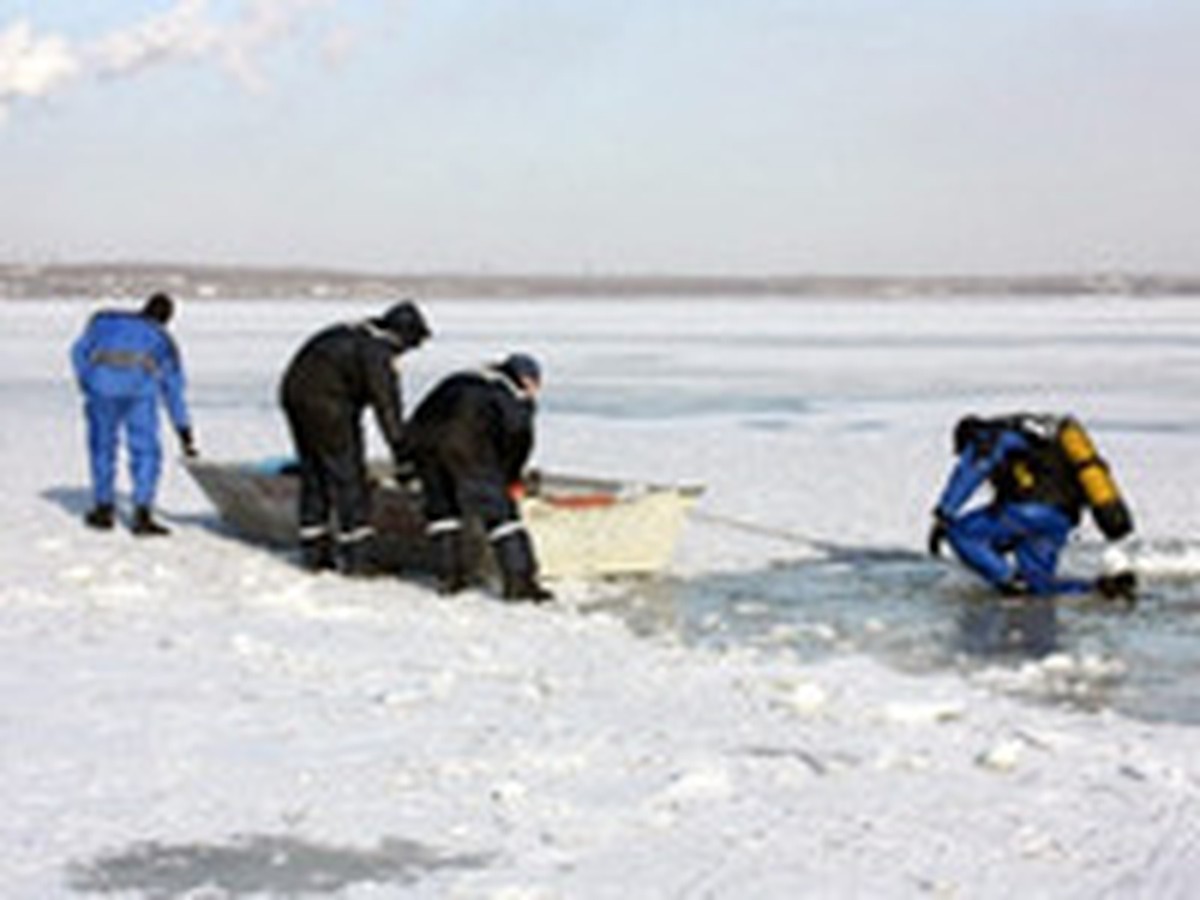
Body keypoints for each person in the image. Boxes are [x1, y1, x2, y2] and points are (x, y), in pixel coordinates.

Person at [279, 300, 431, 574]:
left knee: (315, 473)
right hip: (327, 404)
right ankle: (357, 559)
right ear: (403, 336)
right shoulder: (377, 353)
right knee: (348, 477)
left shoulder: (358, 333)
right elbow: (387, 407)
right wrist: (403, 455)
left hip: (295, 394)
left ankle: (314, 553)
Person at [928, 413, 1136, 600]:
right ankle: (1102, 589)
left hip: (1029, 509)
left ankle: (1009, 581)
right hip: (1061, 517)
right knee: (1039, 585)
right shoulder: (1032, 433)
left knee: (961, 533)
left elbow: (972, 469)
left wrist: (944, 514)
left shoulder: (986, 436)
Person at [407, 352, 552, 602]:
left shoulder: (460, 379)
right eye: (533, 383)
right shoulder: (510, 395)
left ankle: (450, 578)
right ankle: (520, 584)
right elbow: (518, 439)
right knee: (503, 519)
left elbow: (419, 415)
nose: (534, 390)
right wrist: (509, 479)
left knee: (443, 513)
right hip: (468, 447)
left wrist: (407, 460)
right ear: (521, 377)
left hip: (427, 446)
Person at [71, 292, 197, 536]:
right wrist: (183, 430)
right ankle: (142, 514)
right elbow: (173, 387)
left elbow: (78, 353)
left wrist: (89, 381)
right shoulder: (162, 340)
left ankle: (103, 509)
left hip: (101, 392)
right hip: (139, 396)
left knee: (102, 448)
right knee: (145, 451)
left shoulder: (103, 324)